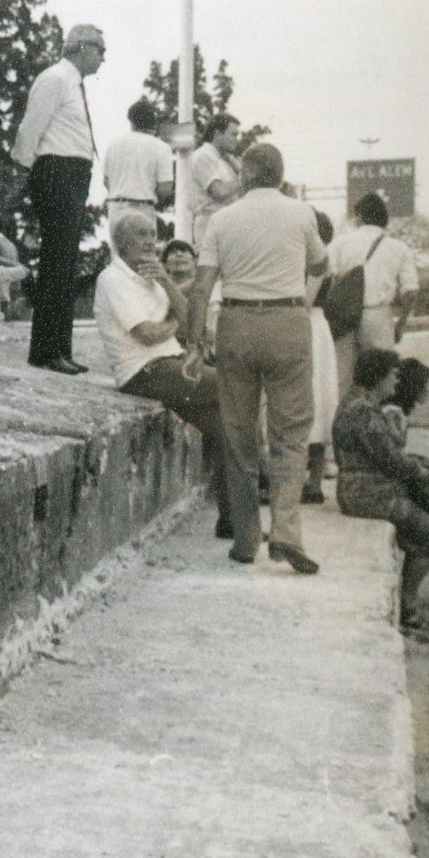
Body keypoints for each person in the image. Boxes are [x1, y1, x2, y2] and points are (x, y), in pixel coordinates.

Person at [187, 142, 328, 572]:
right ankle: (286, 533)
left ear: (244, 175)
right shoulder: (301, 213)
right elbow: (321, 265)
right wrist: (300, 287)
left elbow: (201, 286)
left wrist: (194, 345)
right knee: (291, 432)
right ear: (281, 177)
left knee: (238, 433)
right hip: (287, 323)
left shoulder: (222, 219)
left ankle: (246, 539)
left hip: (238, 324)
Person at [95, 215, 252, 545]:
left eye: (153, 234)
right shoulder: (112, 279)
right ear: (120, 242)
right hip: (143, 370)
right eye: (140, 234)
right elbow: (148, 334)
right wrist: (172, 324)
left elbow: (188, 317)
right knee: (235, 389)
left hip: (171, 364)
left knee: (227, 424)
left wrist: (166, 283)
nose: (150, 241)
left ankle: (233, 518)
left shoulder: (151, 278)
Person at [332, 349, 429, 629]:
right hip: (369, 494)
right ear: (378, 378)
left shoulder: (362, 404)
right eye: (392, 375)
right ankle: (409, 603)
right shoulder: (363, 412)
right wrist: (422, 471)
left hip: (371, 488)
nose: (395, 381)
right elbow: (391, 460)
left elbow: (387, 455)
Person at [10, 25, 105, 373]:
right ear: (81, 47)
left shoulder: (72, 83)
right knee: (57, 259)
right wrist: (21, 170)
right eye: (100, 49)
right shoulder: (55, 78)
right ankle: (45, 351)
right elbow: (31, 126)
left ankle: (60, 349)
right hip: (56, 171)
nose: (103, 57)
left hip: (74, 173)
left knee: (65, 262)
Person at [328, 193, 419, 401]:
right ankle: (376, 428)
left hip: (344, 318)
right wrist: (400, 324)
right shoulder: (399, 248)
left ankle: (341, 426)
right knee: (380, 379)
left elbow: (326, 278)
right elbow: (411, 291)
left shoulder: (340, 243)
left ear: (359, 216)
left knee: (342, 379)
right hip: (379, 316)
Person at [302, 209, 341, 504]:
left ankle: (311, 481)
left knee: (309, 398)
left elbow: (304, 302)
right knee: (319, 402)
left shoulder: (314, 260)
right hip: (319, 327)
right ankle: (313, 481)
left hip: (308, 327)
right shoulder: (324, 257)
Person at [103, 99, 176, 233]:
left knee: (119, 253)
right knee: (142, 252)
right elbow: (165, 189)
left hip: (116, 207)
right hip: (143, 207)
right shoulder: (162, 148)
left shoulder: (113, 145)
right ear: (154, 122)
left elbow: (107, 182)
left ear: (131, 122)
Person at [184, 113, 241, 242]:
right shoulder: (203, 156)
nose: (237, 139)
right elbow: (219, 192)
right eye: (233, 134)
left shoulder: (224, 159)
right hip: (210, 224)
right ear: (217, 134)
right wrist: (245, 179)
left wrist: (239, 168)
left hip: (227, 223)